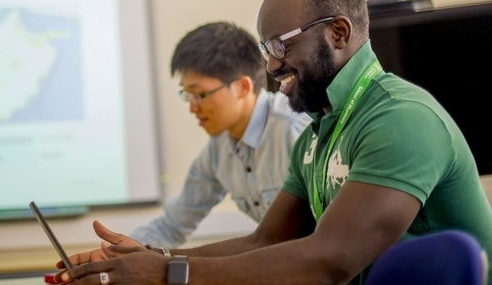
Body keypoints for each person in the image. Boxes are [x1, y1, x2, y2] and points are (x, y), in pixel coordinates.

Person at [53, 0, 492, 284]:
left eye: (279, 45)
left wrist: (170, 274)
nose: (270, 64)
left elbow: (330, 261)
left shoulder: (400, 119)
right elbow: (266, 242)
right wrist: (151, 257)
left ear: (338, 33)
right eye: (266, 47)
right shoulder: (320, 134)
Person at [129, 21, 311, 249]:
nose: (193, 107)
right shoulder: (217, 150)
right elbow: (172, 226)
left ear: (243, 87)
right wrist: (114, 255)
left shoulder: (296, 129)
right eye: (187, 95)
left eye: (200, 94)